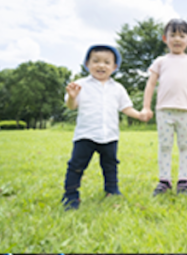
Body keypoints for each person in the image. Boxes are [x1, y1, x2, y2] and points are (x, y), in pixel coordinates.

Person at [62, 45, 145, 211]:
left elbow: (125, 107)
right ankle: (71, 195)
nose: (101, 65)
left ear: (114, 67)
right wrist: (72, 98)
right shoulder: (80, 85)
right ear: (87, 64)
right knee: (76, 165)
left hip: (110, 135)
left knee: (110, 165)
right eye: (96, 61)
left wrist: (139, 115)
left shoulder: (118, 88)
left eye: (107, 62)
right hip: (85, 134)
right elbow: (72, 106)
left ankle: (112, 189)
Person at [141, 18, 187, 196]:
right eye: (172, 35)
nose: (177, 39)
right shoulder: (160, 61)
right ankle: (164, 180)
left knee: (185, 146)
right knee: (165, 145)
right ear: (165, 39)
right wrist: (146, 107)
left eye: (182, 35)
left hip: (186, 110)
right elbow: (150, 84)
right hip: (164, 110)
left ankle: (183, 181)